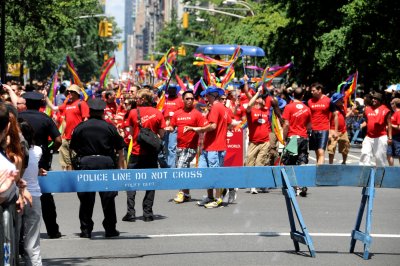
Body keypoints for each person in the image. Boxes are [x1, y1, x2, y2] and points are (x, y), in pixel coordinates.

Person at [70, 98, 125, 238]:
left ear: (89, 111)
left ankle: (86, 229)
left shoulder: (80, 127)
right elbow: (120, 149)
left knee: (86, 199)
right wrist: (120, 167)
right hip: (106, 163)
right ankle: (110, 228)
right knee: (108, 198)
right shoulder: (109, 127)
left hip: (86, 163)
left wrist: (75, 166)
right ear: (102, 112)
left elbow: (73, 148)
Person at [19, 91, 63, 239]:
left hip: (22, 160)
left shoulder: (19, 118)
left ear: (26, 103)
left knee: (20, 191)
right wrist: (50, 151)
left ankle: (19, 234)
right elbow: (58, 140)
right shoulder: (45, 118)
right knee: (46, 197)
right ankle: (52, 230)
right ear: (40, 105)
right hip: (41, 161)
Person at [123, 89, 165, 222]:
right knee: (151, 183)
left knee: (131, 183)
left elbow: (130, 132)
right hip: (151, 153)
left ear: (141, 100)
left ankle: (131, 212)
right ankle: (148, 213)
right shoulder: (157, 113)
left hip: (136, 152)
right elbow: (162, 134)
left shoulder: (133, 113)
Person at [186, 86, 232, 208]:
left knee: (214, 173)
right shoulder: (221, 108)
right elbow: (229, 123)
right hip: (210, 146)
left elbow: (213, 126)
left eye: (206, 96)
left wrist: (198, 129)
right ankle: (211, 197)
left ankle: (217, 198)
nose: (205, 98)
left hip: (215, 147)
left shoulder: (216, 107)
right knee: (205, 173)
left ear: (212, 96)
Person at [168, 90, 208, 203]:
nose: (190, 100)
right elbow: (172, 126)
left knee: (180, 168)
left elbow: (205, 127)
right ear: (183, 100)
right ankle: (187, 194)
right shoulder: (177, 113)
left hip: (191, 148)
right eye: (187, 98)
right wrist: (169, 129)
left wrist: (195, 129)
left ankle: (181, 193)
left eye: (191, 98)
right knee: (184, 170)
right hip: (179, 147)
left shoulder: (197, 114)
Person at [18, 119, 44, 265]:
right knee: (33, 240)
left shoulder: (12, 152)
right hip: (34, 195)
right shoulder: (38, 151)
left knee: (13, 237)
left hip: (16, 194)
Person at [46, 84, 90, 170]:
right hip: (66, 138)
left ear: (77, 93)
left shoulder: (82, 103)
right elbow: (54, 108)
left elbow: (86, 119)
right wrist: (46, 97)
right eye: (68, 91)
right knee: (66, 163)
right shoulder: (66, 104)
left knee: (75, 161)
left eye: (72, 92)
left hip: (77, 138)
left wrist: (82, 133)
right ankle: (68, 179)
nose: (69, 93)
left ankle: (74, 180)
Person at [282, 87, 312, 196]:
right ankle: (302, 184)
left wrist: (284, 137)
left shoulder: (288, 107)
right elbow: (309, 126)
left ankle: (293, 187)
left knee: (290, 162)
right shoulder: (307, 108)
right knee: (302, 160)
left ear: (293, 94)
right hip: (303, 137)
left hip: (292, 137)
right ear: (303, 96)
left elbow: (286, 124)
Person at [244, 87, 271, 194]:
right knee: (250, 164)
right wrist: (257, 93)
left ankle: (260, 184)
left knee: (261, 164)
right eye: (262, 98)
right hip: (253, 142)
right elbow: (249, 105)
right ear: (257, 99)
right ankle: (252, 185)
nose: (265, 100)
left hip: (265, 142)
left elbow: (270, 99)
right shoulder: (251, 111)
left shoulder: (266, 110)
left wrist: (263, 90)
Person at [360, 92, 391, 166]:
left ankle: (379, 176)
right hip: (369, 137)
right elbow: (367, 121)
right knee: (364, 154)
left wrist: (390, 138)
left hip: (381, 137)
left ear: (380, 100)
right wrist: (361, 125)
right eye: (373, 98)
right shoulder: (367, 109)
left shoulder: (386, 110)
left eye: (376, 99)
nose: (373, 100)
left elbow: (389, 125)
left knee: (379, 158)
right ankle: (364, 175)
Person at [308, 83, 331, 164]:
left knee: (321, 152)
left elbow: (333, 115)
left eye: (313, 90)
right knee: (317, 152)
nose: (311, 92)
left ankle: (319, 172)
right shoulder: (310, 101)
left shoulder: (328, 100)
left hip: (324, 129)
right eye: (311, 90)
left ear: (319, 90)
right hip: (313, 129)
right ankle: (319, 168)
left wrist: (332, 130)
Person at [163, 84, 184, 168]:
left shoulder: (180, 100)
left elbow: (182, 113)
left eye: (173, 89)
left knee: (171, 148)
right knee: (164, 147)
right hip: (164, 127)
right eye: (170, 89)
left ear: (176, 90)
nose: (171, 90)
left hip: (174, 127)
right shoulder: (164, 100)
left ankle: (171, 168)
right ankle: (165, 165)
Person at [327, 93, 350, 164]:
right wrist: (329, 132)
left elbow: (345, 116)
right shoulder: (331, 109)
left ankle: (344, 162)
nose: (342, 100)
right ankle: (331, 163)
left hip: (343, 131)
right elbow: (327, 121)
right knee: (331, 148)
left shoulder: (342, 107)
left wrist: (351, 111)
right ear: (336, 100)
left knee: (345, 146)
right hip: (333, 131)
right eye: (340, 99)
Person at [388, 98, 400, 166]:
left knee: (399, 154)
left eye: (391, 103)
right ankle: (391, 170)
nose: (390, 105)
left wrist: (390, 125)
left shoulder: (398, 113)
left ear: (395, 104)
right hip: (391, 136)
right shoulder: (394, 113)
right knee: (389, 154)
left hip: (397, 137)